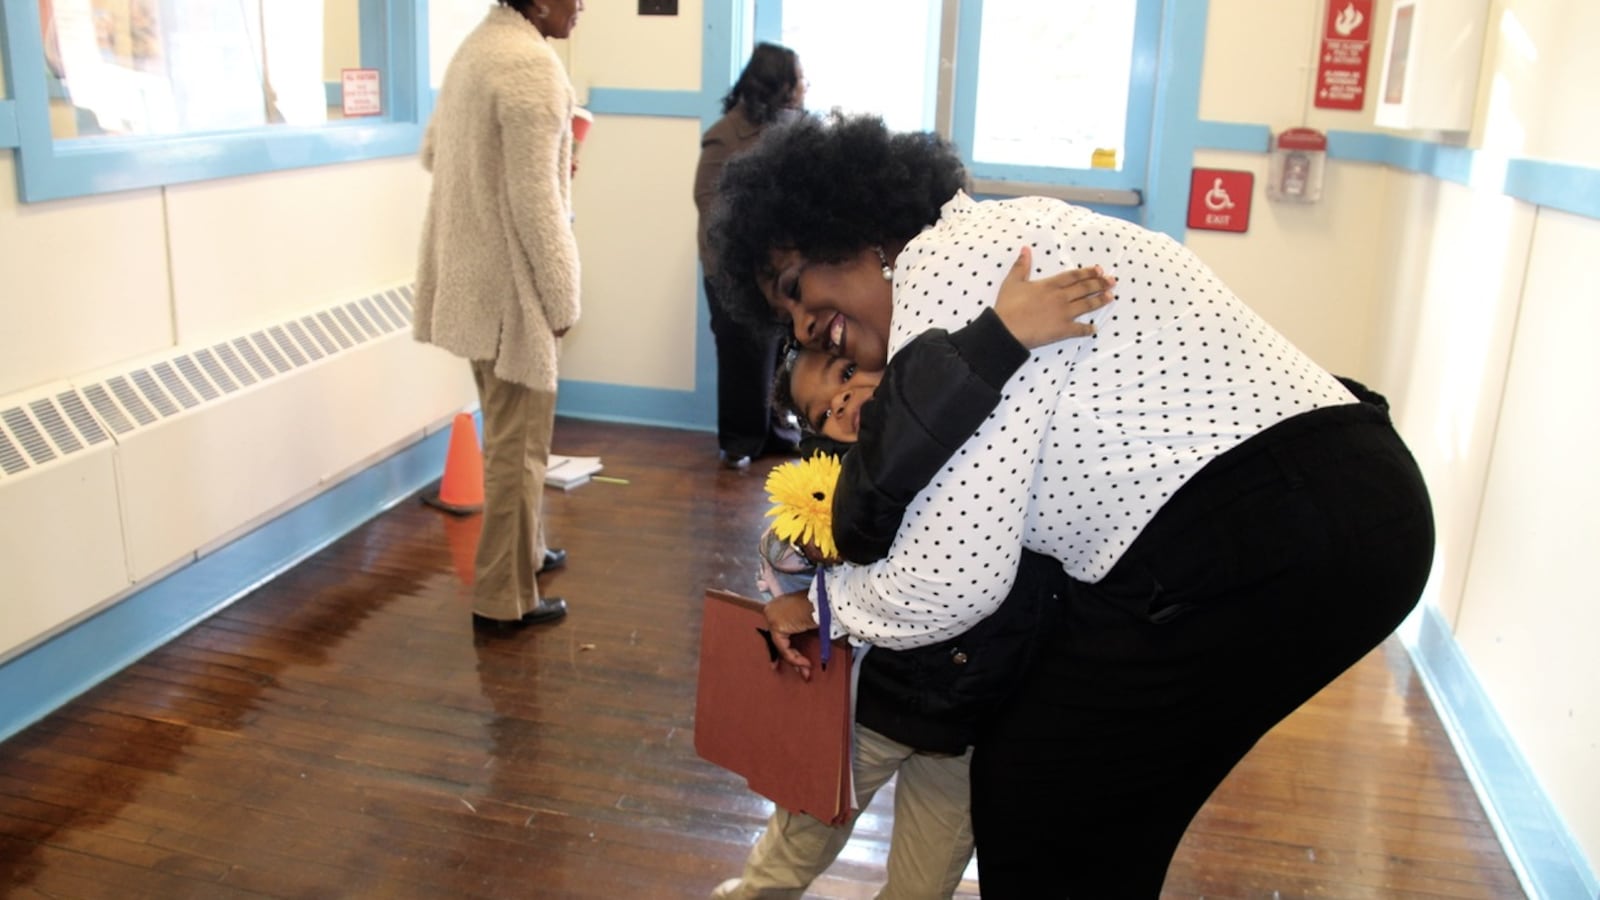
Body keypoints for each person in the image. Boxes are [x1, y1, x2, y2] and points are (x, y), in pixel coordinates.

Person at [710, 113, 1436, 898]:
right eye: (785, 319)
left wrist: (823, 608)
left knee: (1046, 810)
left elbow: (950, 582)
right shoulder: (979, 250)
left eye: (794, 290)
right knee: (1065, 806)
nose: (803, 325)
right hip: (1304, 509)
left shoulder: (947, 268)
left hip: (1270, 524)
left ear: (855, 233)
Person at [412, 0, 586, 630]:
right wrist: (563, 300)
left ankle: (529, 556)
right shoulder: (531, 66)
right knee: (519, 448)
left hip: (468, 281)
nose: (583, 6)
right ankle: (502, 598)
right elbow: (538, 205)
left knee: (509, 434)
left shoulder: (473, 51)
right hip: (512, 292)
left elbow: (436, 152)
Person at [693, 42, 808, 470]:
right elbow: (708, 205)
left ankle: (777, 433)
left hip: (780, 271)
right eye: (798, 77)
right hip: (734, 271)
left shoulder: (792, 129)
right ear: (779, 85)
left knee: (779, 351)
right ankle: (741, 440)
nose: (805, 85)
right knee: (743, 355)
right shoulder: (725, 135)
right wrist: (748, 265)